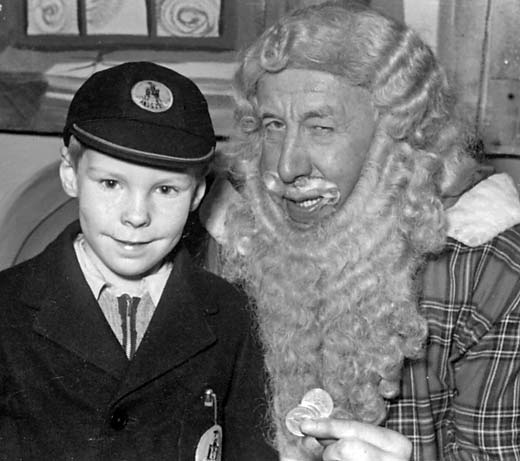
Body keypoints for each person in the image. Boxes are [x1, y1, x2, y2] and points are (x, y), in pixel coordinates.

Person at [201, 1, 520, 460]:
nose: (286, 167)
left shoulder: (487, 271)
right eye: (273, 125)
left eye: (321, 127)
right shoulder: (232, 240)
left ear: (397, 139)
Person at [0, 61, 277, 460]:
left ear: (197, 196)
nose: (137, 215)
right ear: (70, 174)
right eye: (111, 183)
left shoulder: (231, 314)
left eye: (165, 189)